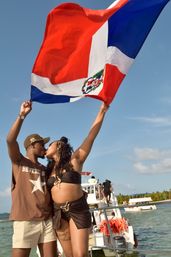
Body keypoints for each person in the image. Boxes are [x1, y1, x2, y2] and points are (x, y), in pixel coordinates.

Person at [46, 102, 109, 257]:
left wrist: (102, 111)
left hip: (77, 211)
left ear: (59, 146)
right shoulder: (47, 170)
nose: (47, 147)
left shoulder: (75, 161)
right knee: (69, 255)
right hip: (58, 214)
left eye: (50, 144)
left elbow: (91, 136)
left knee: (80, 254)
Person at [6, 100, 57, 257]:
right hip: (25, 221)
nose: (45, 148)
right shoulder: (19, 161)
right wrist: (22, 116)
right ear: (32, 145)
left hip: (46, 221)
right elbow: (10, 140)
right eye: (42, 144)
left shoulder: (44, 168)